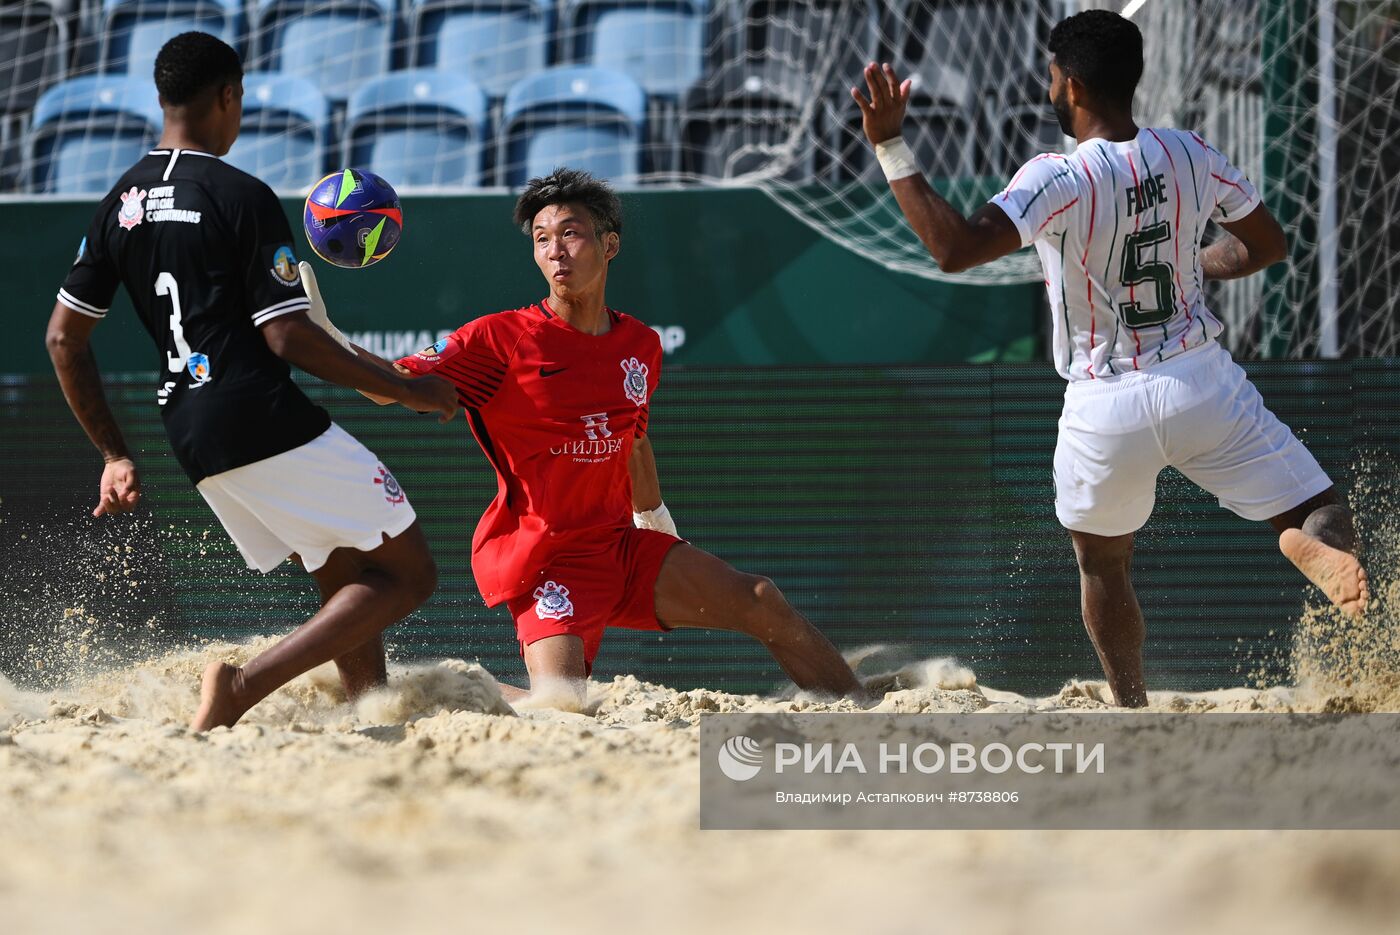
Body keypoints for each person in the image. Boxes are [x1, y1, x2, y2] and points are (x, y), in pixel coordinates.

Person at [851, 10, 1368, 707]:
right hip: (1199, 381)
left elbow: (954, 247)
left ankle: (1131, 704)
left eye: (1052, 77)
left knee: (1102, 564)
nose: (1049, 86)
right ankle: (1308, 546)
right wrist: (1194, 260)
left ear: (1073, 87)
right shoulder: (1190, 151)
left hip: (1104, 403)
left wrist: (890, 146)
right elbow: (1265, 245)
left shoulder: (1055, 175)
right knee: (1319, 509)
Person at [303, 167, 865, 707]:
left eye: (570, 234)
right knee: (561, 704)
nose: (555, 250)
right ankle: (453, 686)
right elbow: (392, 386)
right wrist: (327, 341)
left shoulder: (640, 343)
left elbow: (634, 443)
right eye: (542, 239)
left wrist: (657, 525)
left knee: (762, 600)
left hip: (620, 547)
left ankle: (870, 714)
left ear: (609, 245)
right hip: (545, 557)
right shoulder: (500, 339)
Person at [44, 32, 459, 730]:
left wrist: (114, 452)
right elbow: (286, 336)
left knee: (338, 560)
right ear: (229, 97)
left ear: (162, 97)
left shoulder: (121, 201)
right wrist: (413, 390)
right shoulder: (239, 193)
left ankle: (370, 708)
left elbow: (62, 337)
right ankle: (242, 685)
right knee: (411, 573)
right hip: (253, 410)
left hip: (188, 428)